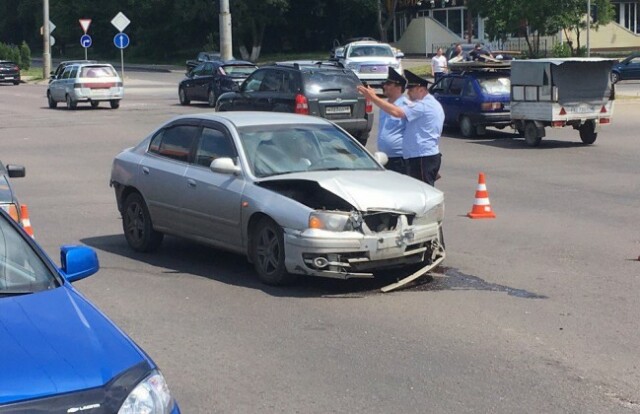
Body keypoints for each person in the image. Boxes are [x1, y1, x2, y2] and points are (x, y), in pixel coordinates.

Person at [357, 70, 444, 186]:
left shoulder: (422, 105)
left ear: (421, 89)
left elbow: (398, 113)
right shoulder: (423, 104)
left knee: (422, 192)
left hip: (416, 156)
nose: (408, 94)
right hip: (416, 156)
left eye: (411, 90)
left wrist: (372, 97)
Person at [376, 68, 409, 174]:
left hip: (400, 158)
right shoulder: (385, 106)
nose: (384, 86)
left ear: (399, 87)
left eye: (388, 84)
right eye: (384, 83)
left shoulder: (405, 106)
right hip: (384, 157)